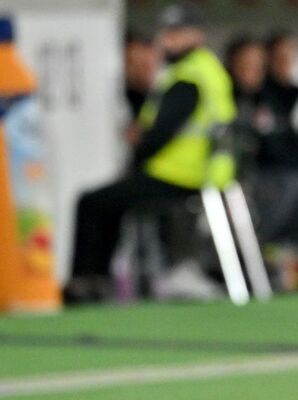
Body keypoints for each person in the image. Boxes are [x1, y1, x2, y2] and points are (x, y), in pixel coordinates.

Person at [64, 5, 235, 304]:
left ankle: (87, 282)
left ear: (195, 35)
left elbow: (161, 132)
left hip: (176, 174)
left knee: (91, 203)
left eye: (176, 33)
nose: (167, 41)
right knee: (108, 203)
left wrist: (138, 150)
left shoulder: (190, 75)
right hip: (190, 173)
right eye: (166, 33)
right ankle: (98, 281)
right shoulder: (203, 69)